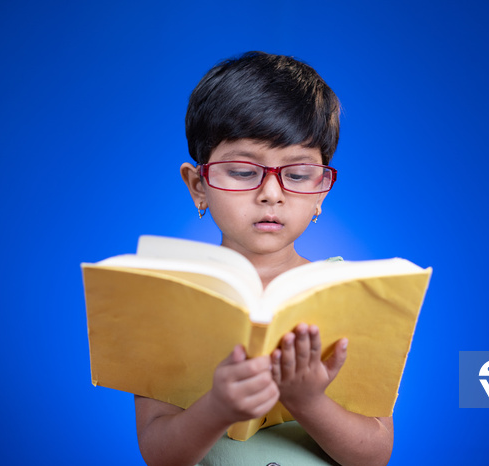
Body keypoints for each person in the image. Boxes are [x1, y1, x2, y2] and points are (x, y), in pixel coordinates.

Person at [134, 51, 393, 465]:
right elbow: (159, 453)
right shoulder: (166, 298)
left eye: (297, 174)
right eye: (241, 170)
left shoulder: (355, 294)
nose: (271, 194)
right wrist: (217, 407)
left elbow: (375, 454)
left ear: (322, 190)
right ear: (198, 185)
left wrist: (308, 402)